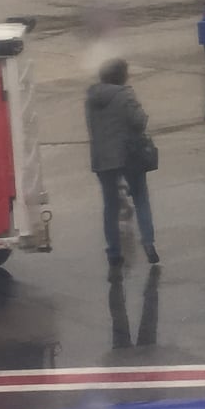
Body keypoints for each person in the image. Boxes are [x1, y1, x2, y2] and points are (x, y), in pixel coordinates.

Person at [85, 58, 159, 271]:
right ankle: (148, 243)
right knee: (140, 198)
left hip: (102, 158)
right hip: (128, 155)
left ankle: (114, 253)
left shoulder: (91, 98)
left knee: (111, 206)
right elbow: (139, 122)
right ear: (121, 75)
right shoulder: (125, 95)